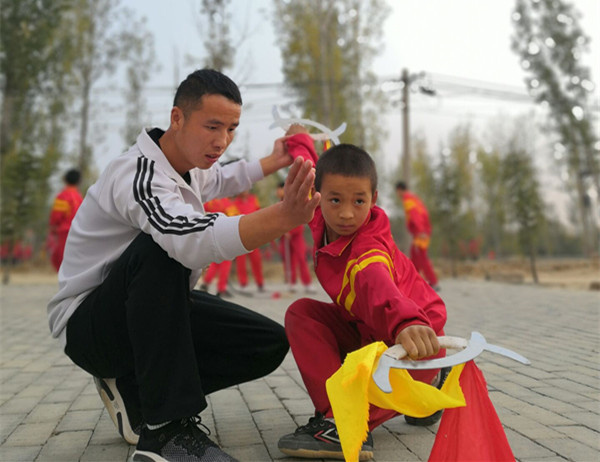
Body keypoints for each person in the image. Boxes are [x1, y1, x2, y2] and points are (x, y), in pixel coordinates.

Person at [46, 68, 320, 462]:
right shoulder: (139, 174)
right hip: (91, 326)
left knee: (265, 343)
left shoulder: (189, 164)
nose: (222, 141)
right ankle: (164, 433)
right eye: (212, 126)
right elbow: (189, 241)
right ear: (177, 118)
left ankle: (139, 394)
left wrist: (277, 159)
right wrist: (282, 216)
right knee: (162, 248)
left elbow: (222, 178)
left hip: (141, 313)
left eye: (231, 129)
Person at [277, 141, 448, 460]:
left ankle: (426, 383)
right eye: (335, 200)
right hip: (366, 324)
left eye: (359, 201)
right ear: (318, 197)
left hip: (413, 337)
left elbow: (380, 290)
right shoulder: (321, 217)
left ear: (374, 200)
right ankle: (337, 418)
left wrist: (407, 323)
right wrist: (297, 140)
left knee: (405, 356)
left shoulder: (368, 253)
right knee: (302, 314)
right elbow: (310, 162)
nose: (346, 213)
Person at [395, 181, 440, 290]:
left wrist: (420, 231)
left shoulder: (408, 199)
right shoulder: (413, 198)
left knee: (421, 256)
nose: (397, 194)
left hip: (422, 232)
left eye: (397, 192)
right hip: (421, 231)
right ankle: (413, 282)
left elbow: (415, 215)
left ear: (400, 190)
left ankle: (433, 282)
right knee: (414, 256)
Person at [276, 181, 315, 293]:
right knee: (288, 260)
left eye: (279, 189)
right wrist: (283, 231)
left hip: (296, 235)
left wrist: (291, 231)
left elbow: (298, 218)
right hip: (285, 236)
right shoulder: (280, 203)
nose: (278, 192)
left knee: (301, 258)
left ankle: (307, 283)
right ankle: (291, 282)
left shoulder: (294, 201)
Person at [199, 197, 238, 297]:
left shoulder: (210, 202)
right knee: (225, 263)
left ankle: (205, 283)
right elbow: (234, 218)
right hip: (225, 236)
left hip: (210, 235)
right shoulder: (227, 203)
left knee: (215, 262)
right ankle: (221, 288)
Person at [47, 168, 83, 271]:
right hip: (77, 233)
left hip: (63, 233)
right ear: (78, 182)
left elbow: (56, 217)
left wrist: (52, 228)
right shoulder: (79, 197)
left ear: (65, 180)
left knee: (60, 261)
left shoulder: (62, 196)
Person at [232, 190, 265, 293]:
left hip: (254, 235)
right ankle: (243, 283)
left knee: (256, 260)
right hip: (240, 236)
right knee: (241, 261)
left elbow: (259, 213)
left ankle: (260, 283)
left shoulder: (253, 199)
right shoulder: (234, 204)